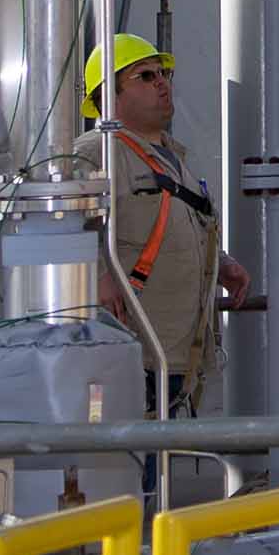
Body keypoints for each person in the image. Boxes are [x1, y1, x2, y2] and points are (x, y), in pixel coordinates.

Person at [88, 32, 250, 409]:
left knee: (157, 460)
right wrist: (97, 275)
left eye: (163, 74)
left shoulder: (170, 157)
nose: (162, 83)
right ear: (109, 96)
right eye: (145, 76)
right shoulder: (97, 152)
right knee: (131, 464)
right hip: (132, 353)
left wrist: (221, 264)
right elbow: (65, 226)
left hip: (177, 350)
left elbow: (182, 224)